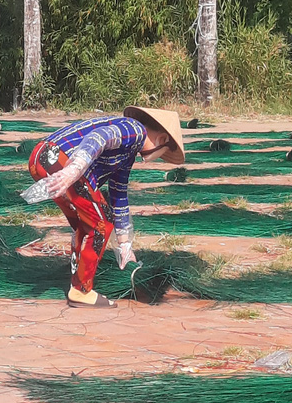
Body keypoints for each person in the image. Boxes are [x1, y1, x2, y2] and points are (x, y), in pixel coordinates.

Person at [20, 106, 186, 308]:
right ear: (162, 140)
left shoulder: (127, 153)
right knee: (101, 223)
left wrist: (125, 245)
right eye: (164, 153)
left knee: (85, 221)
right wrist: (74, 169)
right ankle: (81, 291)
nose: (159, 157)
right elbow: (99, 137)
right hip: (57, 159)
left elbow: (119, 194)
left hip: (42, 158)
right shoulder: (135, 130)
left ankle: (77, 273)